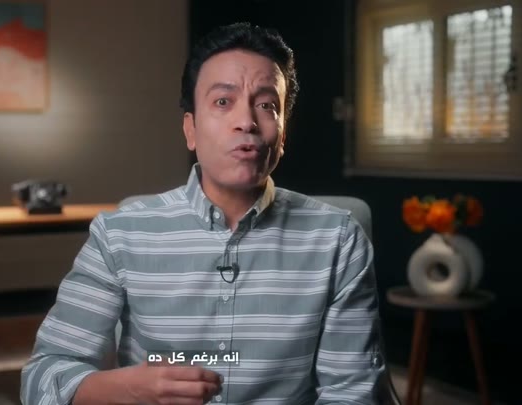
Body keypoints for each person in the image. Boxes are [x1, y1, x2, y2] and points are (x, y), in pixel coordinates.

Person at [21, 22, 389, 405]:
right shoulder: (119, 235)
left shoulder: (338, 240)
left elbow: (352, 394)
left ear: (282, 135)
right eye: (223, 102)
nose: (246, 122)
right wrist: (129, 389)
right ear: (191, 129)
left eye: (267, 105)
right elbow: (42, 378)